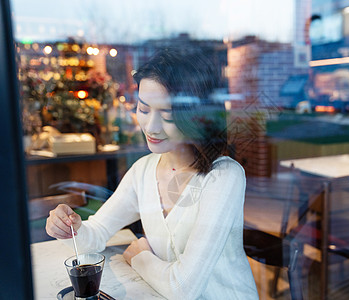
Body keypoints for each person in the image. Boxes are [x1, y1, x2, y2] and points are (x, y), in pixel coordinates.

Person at [45, 48, 258, 299]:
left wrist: (140, 257)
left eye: (167, 115)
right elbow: (96, 233)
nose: (151, 127)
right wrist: (68, 227)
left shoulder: (224, 177)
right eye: (144, 110)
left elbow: (183, 289)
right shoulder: (144, 170)